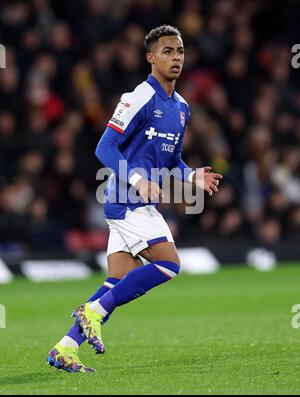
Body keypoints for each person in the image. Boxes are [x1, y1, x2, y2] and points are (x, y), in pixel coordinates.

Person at [47, 25, 222, 372]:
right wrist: (139, 179)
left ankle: (64, 348)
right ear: (151, 57)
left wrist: (191, 175)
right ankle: (92, 311)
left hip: (139, 202)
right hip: (127, 199)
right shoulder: (138, 96)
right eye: (167, 51)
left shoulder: (182, 108)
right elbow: (104, 147)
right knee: (169, 264)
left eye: (180, 51)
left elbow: (171, 160)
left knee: (117, 281)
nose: (176, 58)